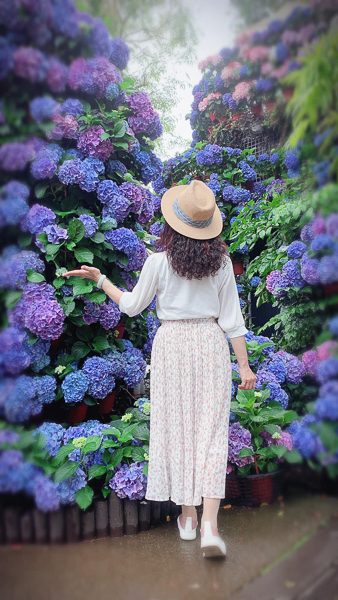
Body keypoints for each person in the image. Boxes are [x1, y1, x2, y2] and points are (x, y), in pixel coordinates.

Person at [64, 179, 256, 558]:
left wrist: (101, 279)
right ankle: (210, 527)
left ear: (172, 224)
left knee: (178, 429)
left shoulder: (157, 263)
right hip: (210, 345)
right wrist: (245, 368)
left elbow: (132, 305)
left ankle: (188, 517)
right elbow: (233, 322)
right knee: (212, 433)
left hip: (171, 347)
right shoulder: (221, 265)